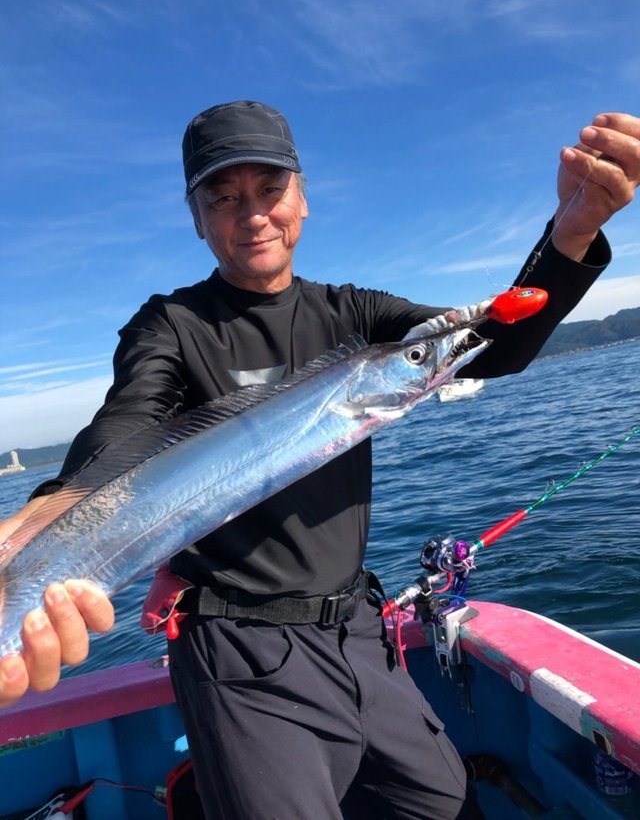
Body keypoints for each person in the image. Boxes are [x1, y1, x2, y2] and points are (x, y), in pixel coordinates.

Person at [1, 101, 639, 819]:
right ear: (198, 217)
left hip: (362, 633)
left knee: (446, 808)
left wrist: (574, 230)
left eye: (270, 190)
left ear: (301, 198)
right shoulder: (171, 326)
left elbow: (492, 342)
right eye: (224, 197)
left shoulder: (355, 313)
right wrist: (53, 506)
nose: (254, 215)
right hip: (238, 654)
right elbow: (128, 422)